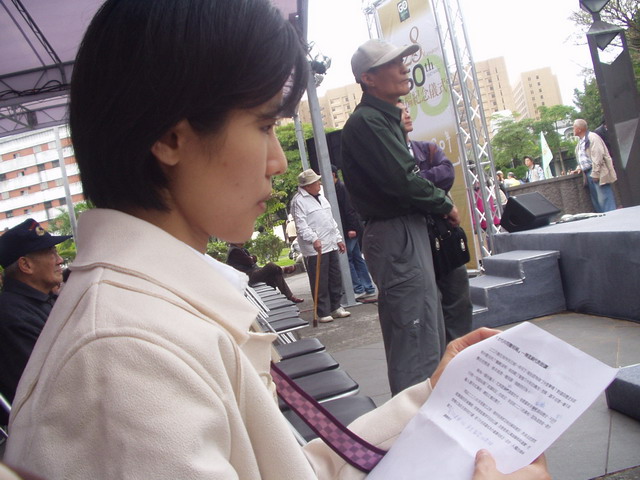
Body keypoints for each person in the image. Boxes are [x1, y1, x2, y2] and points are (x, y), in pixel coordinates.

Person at [4, 2, 551, 479]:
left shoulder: (147, 319)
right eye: (265, 126)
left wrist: (429, 398)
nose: (279, 162)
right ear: (171, 137)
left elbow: (285, 468)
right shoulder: (125, 356)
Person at [340, 39, 460, 396]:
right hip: (396, 233)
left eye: (403, 60)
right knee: (415, 336)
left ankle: (425, 416)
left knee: (425, 332)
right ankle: (415, 422)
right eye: (394, 63)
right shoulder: (369, 122)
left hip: (402, 232)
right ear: (368, 78)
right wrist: (443, 203)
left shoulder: (380, 119)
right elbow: (403, 181)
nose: (404, 67)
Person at [397, 101, 472, 344]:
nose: (407, 115)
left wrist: (415, 183)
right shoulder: (389, 158)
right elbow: (399, 189)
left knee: (458, 296)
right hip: (411, 237)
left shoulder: (426, 148)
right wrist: (419, 186)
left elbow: (447, 173)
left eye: (408, 110)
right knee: (425, 305)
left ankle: (460, 351)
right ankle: (438, 356)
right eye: (400, 111)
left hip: (443, 233)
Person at [0, 219, 70, 424]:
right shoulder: (11, 315)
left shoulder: (45, 300)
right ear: (26, 265)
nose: (60, 260)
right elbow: (51, 386)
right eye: (51, 253)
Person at [290, 169, 350, 323]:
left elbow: (330, 220)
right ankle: (323, 311)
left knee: (335, 277)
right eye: (316, 182)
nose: (319, 184)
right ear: (308, 186)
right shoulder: (298, 201)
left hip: (330, 243)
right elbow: (301, 225)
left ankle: (336, 306)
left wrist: (338, 238)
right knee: (320, 280)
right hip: (314, 248)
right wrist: (313, 239)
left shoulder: (321, 197)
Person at [331, 165, 376, 300]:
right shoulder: (337, 188)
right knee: (356, 257)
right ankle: (368, 287)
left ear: (333, 174)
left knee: (348, 258)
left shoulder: (340, 188)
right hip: (349, 228)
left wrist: (351, 228)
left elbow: (349, 209)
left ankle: (358, 287)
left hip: (349, 228)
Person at [226, 243, 303, 303]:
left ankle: (290, 296)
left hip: (253, 272)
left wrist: (252, 258)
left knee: (275, 272)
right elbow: (250, 261)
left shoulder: (241, 249)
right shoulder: (234, 251)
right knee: (271, 265)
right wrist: (252, 258)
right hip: (248, 277)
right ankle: (283, 270)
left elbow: (252, 259)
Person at [571, 118, 617, 213]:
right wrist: (579, 168)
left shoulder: (592, 137)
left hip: (597, 172)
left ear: (579, 129)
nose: (573, 129)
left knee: (604, 198)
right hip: (588, 173)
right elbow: (583, 157)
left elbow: (598, 156)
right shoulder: (580, 141)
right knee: (597, 201)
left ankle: (613, 217)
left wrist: (595, 173)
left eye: (573, 127)